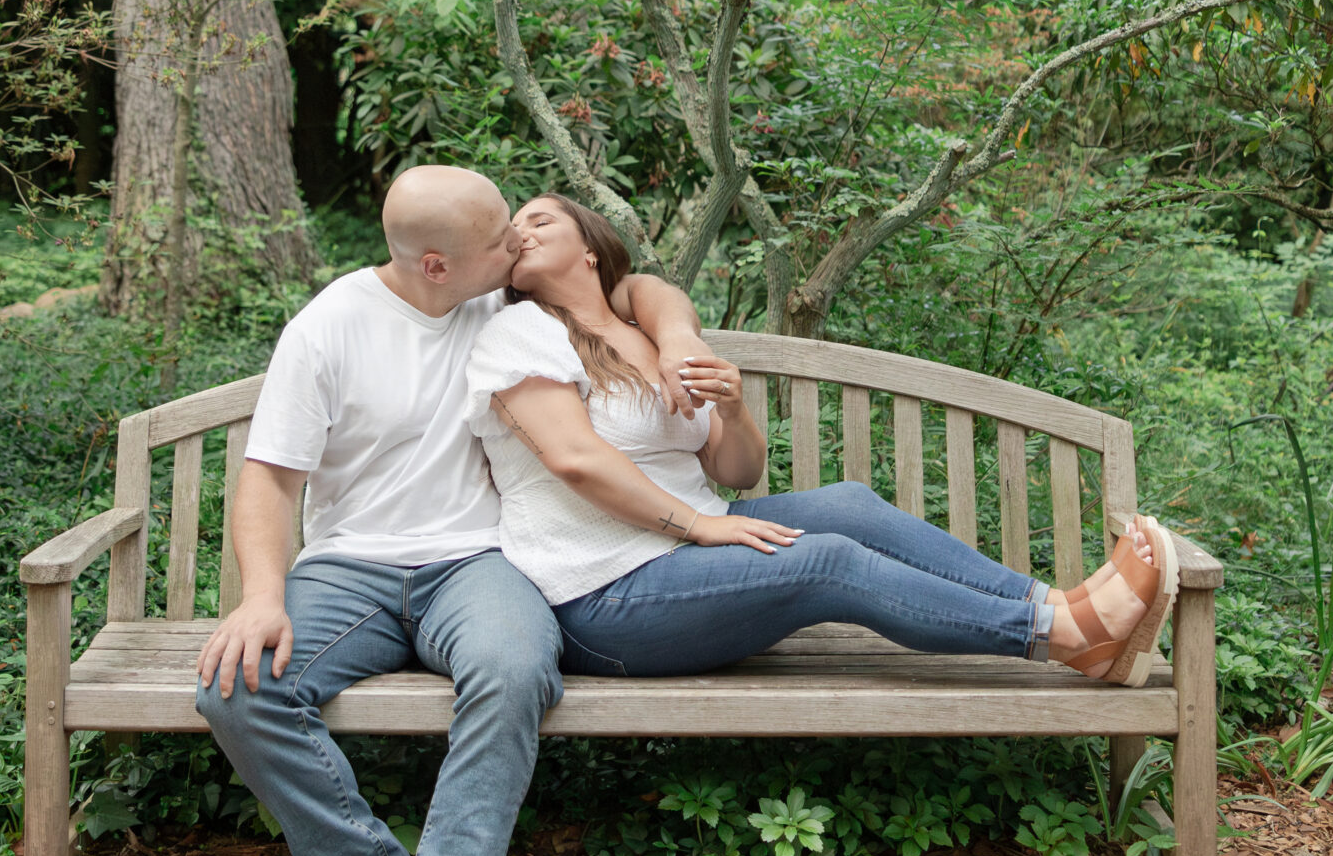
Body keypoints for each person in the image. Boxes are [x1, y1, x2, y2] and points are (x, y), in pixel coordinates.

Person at [194, 165, 711, 856]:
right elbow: (269, 475)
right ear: (437, 266)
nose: (519, 248)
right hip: (351, 570)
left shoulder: (510, 304)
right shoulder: (331, 326)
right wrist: (263, 595)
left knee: (514, 673)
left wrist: (674, 337)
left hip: (480, 562)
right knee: (239, 688)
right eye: (499, 244)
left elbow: (636, 285)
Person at [464, 195, 1179, 681]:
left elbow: (737, 472)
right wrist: (699, 528)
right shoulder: (520, 330)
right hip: (604, 595)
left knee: (847, 505)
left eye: (537, 221)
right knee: (826, 561)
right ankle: (1061, 637)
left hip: (683, 544)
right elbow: (574, 459)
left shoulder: (644, 329)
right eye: (510, 233)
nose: (518, 233)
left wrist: (735, 407)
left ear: (590, 249)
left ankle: (1060, 610)